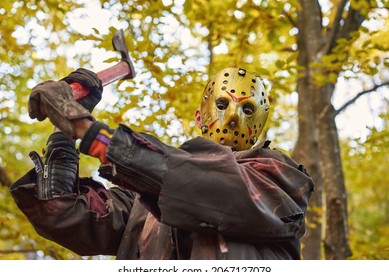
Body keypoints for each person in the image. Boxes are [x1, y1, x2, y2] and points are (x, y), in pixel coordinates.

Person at [10, 67, 314, 260]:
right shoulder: (142, 201)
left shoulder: (280, 180)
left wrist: (90, 131)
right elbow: (65, 214)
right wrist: (63, 135)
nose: (233, 118)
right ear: (199, 117)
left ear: (259, 126)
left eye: (248, 110)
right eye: (222, 104)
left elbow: (210, 187)